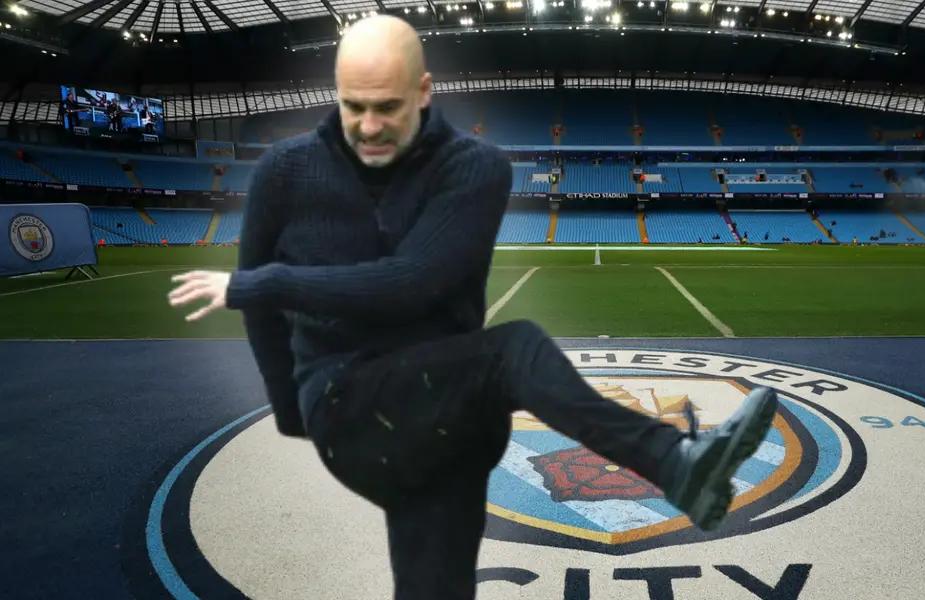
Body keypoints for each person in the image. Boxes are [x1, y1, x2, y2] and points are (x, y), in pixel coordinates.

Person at [166, 15, 777, 600]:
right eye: (353, 106)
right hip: (346, 402)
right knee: (513, 350)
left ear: (424, 91)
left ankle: (679, 467)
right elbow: (261, 315)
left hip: (451, 419)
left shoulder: (475, 168)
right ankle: (674, 463)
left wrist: (267, 283)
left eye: (387, 107)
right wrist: (292, 411)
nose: (369, 125)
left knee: (437, 590)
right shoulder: (284, 170)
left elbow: (412, 282)